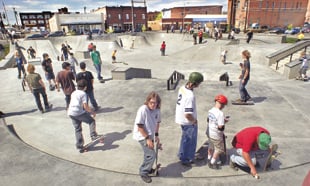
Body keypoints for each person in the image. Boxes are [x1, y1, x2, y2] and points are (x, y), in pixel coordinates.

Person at [175, 72, 204, 166]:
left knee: (184, 138)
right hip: (188, 122)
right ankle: (186, 159)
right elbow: (188, 114)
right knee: (190, 140)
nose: (199, 85)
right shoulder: (190, 96)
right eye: (199, 83)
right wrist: (194, 121)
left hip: (180, 118)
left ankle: (181, 154)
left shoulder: (182, 88)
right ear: (195, 83)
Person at [133, 91, 161, 183]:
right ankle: (144, 172)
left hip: (150, 134)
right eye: (151, 102)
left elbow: (157, 123)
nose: (153, 104)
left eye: (155, 103)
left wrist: (156, 136)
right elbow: (140, 126)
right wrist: (148, 139)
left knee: (148, 154)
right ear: (148, 101)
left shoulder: (157, 110)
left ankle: (148, 168)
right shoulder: (143, 109)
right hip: (142, 135)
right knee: (151, 155)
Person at [67, 79, 100, 150]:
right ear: (85, 87)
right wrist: (92, 112)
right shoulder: (83, 94)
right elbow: (85, 107)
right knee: (91, 121)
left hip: (71, 113)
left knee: (77, 129)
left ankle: (79, 146)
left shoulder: (74, 92)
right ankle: (93, 135)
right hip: (78, 112)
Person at [206, 94, 228, 169]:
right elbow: (220, 127)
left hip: (210, 133)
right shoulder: (220, 114)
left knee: (210, 146)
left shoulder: (210, 110)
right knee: (218, 149)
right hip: (216, 135)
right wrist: (224, 122)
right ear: (222, 104)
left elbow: (208, 120)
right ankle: (212, 163)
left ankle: (208, 158)